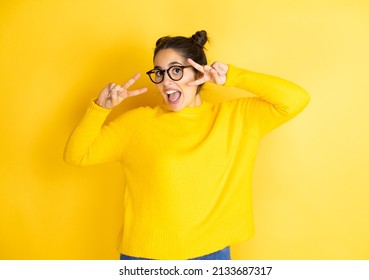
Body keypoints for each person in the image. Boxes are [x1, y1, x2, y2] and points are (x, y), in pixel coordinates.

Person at [64, 30, 310, 260]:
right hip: (145, 258)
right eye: (159, 72)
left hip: (211, 254)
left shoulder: (236, 118)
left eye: (176, 71)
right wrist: (100, 107)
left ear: (197, 72)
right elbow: (77, 155)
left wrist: (233, 77)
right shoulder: (138, 123)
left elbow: (295, 99)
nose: (166, 81)